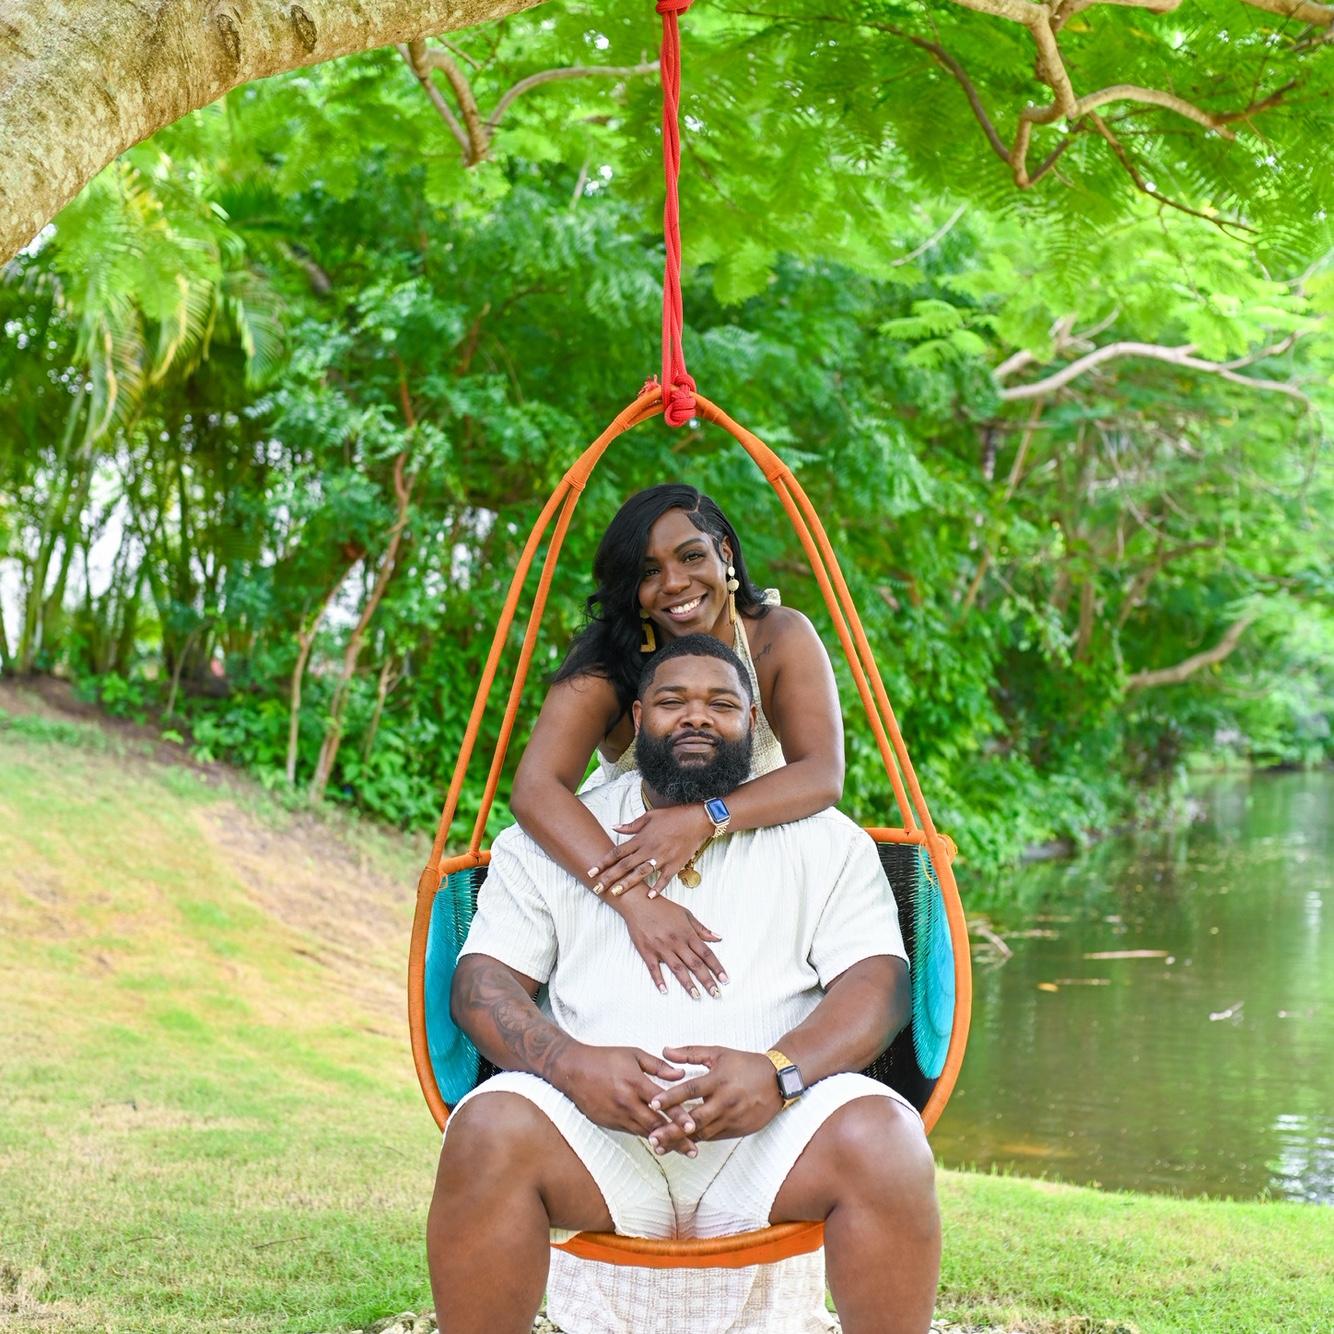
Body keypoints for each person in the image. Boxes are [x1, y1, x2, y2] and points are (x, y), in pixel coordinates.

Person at [427, 636, 941, 1334]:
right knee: (486, 1129)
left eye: (721, 703)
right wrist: (572, 1067)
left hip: (772, 1137)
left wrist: (779, 1072)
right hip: (596, 1139)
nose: (697, 715)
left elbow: (879, 983)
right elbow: (480, 984)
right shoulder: (559, 836)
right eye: (673, 701)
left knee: (887, 1138)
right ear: (639, 718)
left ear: (752, 723)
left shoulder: (823, 838)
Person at [510, 482, 844, 1001]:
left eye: (691, 557)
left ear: (724, 552)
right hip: (632, 862)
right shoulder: (609, 662)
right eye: (649, 572)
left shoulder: (778, 636)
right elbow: (535, 789)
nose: (673, 583)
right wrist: (635, 903)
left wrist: (703, 818)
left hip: (757, 850)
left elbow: (822, 773)